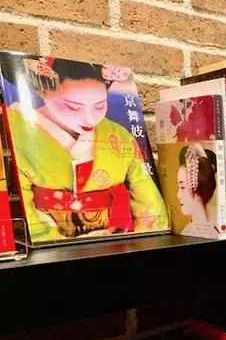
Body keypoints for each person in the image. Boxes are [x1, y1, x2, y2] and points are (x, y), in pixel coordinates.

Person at [1, 55, 168, 242]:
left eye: (99, 105)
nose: (90, 118)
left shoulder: (118, 135)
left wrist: (148, 239)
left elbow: (145, 193)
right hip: (51, 241)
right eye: (73, 107)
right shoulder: (18, 129)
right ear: (42, 91)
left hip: (117, 238)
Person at [177, 144, 218, 238]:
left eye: (182, 187)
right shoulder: (186, 232)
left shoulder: (217, 228)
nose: (178, 195)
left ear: (198, 187)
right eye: (178, 187)